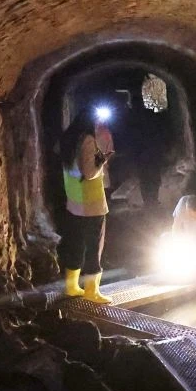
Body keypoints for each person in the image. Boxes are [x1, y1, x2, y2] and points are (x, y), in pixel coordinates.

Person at [58, 113, 111, 302]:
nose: (98, 124)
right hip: (91, 204)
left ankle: (71, 286)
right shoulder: (87, 140)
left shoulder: (68, 138)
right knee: (93, 247)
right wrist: (101, 162)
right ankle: (92, 291)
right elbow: (89, 173)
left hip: (74, 202)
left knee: (76, 244)